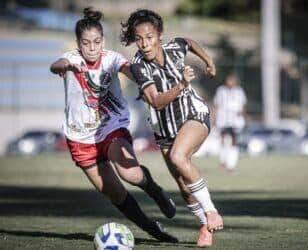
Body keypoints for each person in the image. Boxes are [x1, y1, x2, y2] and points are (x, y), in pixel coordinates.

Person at [49, 7, 178, 243]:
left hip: (111, 126)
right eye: (86, 43)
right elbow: (55, 65)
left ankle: (156, 191)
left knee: (129, 173)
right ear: (78, 43)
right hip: (80, 138)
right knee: (114, 193)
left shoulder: (111, 58)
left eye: (96, 42)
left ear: (103, 41)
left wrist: (144, 82)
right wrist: (66, 66)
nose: (91, 47)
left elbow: (130, 70)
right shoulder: (72, 59)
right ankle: (153, 229)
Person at [120, 9, 223, 248]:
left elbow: (189, 42)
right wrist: (182, 83)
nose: (144, 44)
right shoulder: (138, 67)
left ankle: (211, 212)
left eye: (149, 37)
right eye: (139, 38)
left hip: (194, 114)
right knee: (184, 188)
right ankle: (205, 226)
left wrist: (209, 61)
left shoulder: (174, 48)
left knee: (179, 156)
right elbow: (156, 101)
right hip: (164, 129)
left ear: (159, 35)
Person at [213, 73, 247, 171]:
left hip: (235, 121)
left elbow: (243, 106)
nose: (230, 82)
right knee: (223, 140)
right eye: (229, 80)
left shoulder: (239, 91)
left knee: (234, 141)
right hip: (223, 120)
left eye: (232, 80)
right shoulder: (221, 90)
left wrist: (243, 116)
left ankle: (232, 164)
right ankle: (223, 161)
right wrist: (214, 118)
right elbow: (217, 105)